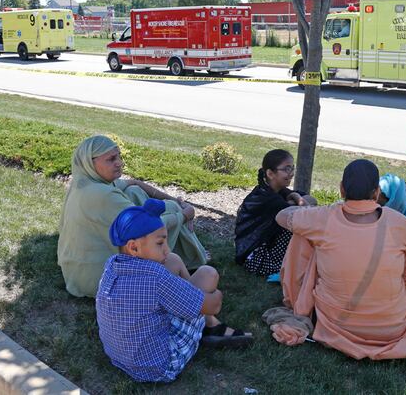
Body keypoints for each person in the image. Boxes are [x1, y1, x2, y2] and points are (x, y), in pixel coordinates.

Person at [275, 159, 406, 361]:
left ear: (341, 189)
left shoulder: (323, 218)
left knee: (303, 234)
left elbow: (282, 216)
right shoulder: (397, 221)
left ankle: (298, 300)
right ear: (376, 193)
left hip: (337, 324)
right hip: (391, 328)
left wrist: (307, 210)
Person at [97, 199, 252, 383]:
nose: (166, 249)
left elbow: (165, 265)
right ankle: (209, 324)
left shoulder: (112, 264)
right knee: (208, 275)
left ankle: (201, 315)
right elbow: (214, 304)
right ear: (134, 247)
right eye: (160, 243)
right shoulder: (155, 277)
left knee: (173, 259)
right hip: (160, 368)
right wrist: (214, 294)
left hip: (119, 357)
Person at [58, 135, 208, 297]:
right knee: (171, 234)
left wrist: (175, 201)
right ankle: (194, 297)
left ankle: (189, 254)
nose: (119, 163)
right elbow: (153, 228)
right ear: (90, 163)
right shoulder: (103, 195)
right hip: (100, 281)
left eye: (119, 157)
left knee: (134, 192)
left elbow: (134, 183)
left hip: (77, 272)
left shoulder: (85, 183)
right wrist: (184, 214)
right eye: (111, 159)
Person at [235, 149, 316, 277]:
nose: (291, 173)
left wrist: (294, 197)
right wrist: (295, 198)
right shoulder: (267, 198)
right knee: (298, 225)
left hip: (263, 250)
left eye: (292, 168)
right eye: (287, 169)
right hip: (255, 258)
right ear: (270, 173)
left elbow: (312, 200)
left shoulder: (278, 190)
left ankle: (302, 262)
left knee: (297, 221)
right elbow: (305, 211)